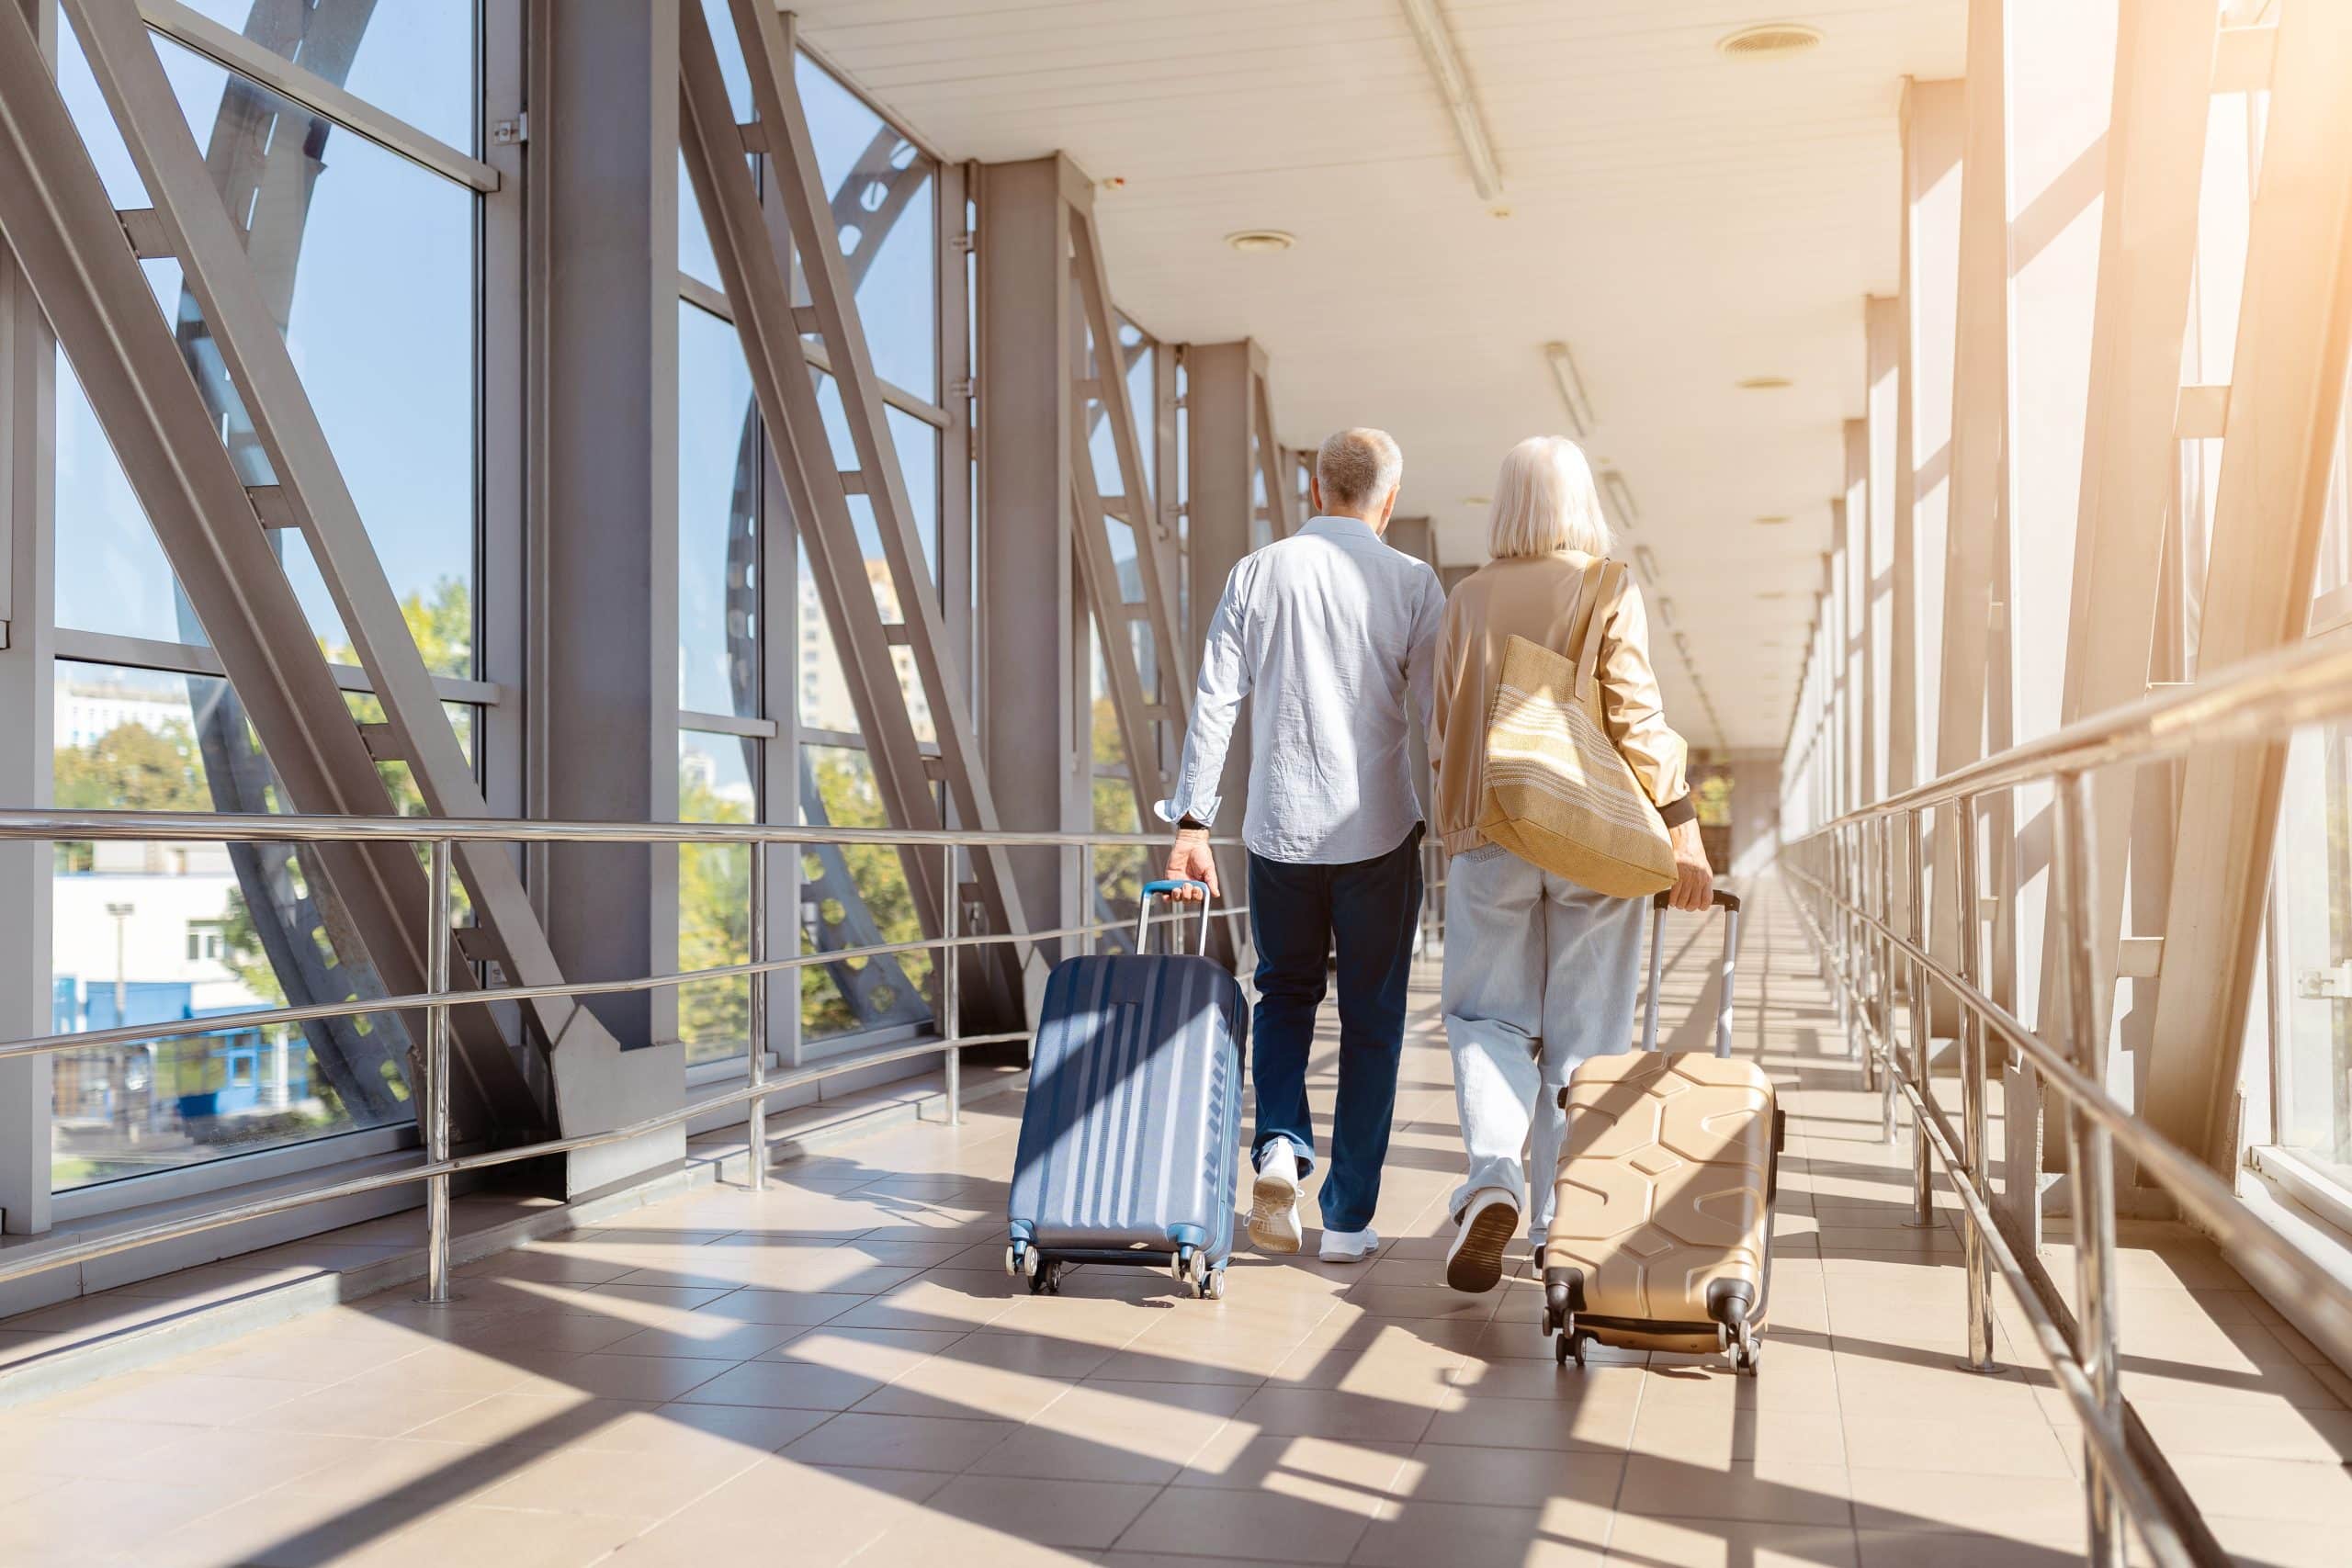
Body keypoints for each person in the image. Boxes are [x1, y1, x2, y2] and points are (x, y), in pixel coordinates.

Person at [1428, 435, 1712, 1293]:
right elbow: (1634, 714)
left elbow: (1444, 729)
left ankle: (1493, 1179)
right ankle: (1565, 1221)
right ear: (1579, 501)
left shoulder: (1466, 598)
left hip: (1490, 831)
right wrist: (1682, 824)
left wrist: (1459, 824)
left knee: (1487, 1018)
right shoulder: (1605, 585)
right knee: (1587, 1037)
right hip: (1588, 834)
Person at [1159, 428, 1443, 1264]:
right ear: (1387, 500)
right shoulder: (1413, 583)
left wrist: (1192, 823)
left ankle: (1278, 1145)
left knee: (1282, 995)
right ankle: (1348, 1220)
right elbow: (1436, 721)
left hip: (1279, 833)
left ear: (1315, 489)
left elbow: (1217, 699)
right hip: (1379, 836)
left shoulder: (1259, 571)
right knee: (1373, 1020)